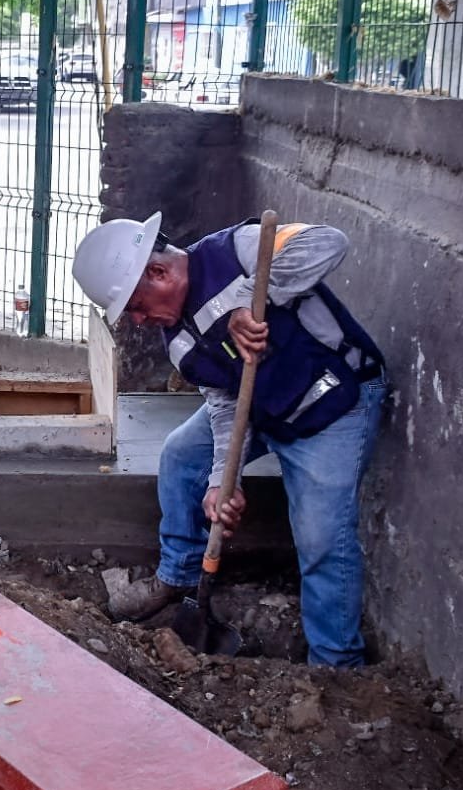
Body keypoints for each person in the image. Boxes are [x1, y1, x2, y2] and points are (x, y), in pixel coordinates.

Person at [71, 213, 387, 667]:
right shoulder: (176, 340)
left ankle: (336, 666)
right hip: (260, 409)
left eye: (137, 305)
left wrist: (247, 300)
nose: (138, 321)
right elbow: (223, 404)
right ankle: (180, 574)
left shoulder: (237, 249)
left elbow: (329, 241)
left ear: (159, 272)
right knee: (182, 454)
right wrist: (224, 479)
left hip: (333, 405)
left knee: (320, 537)